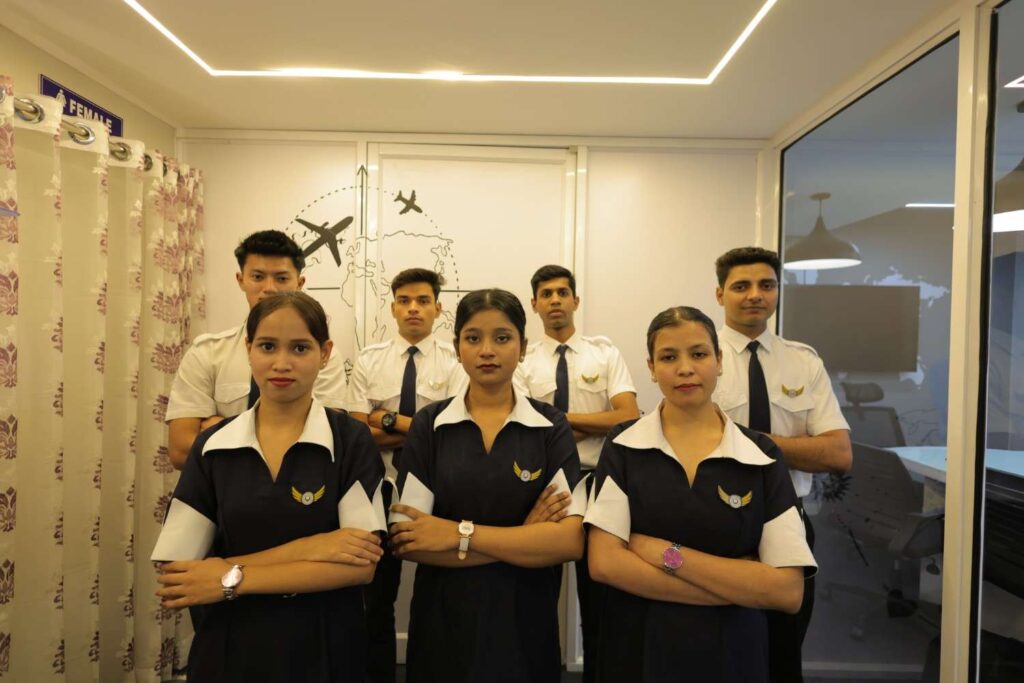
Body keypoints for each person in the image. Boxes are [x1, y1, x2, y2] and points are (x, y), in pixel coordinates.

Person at [151, 292, 387, 682]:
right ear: (248, 349)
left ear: (325, 353)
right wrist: (311, 548)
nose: (281, 363)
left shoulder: (350, 440)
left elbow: (360, 566)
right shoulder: (214, 446)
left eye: (300, 348)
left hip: (324, 646)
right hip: (230, 646)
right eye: (267, 346)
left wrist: (229, 577)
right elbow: (179, 575)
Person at [585, 306, 816, 683]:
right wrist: (740, 586)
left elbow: (787, 591)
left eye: (698, 354)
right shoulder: (623, 445)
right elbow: (605, 563)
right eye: (668, 357)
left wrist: (666, 554)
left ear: (719, 361)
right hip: (640, 649)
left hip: (733, 654)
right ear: (651, 368)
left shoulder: (760, 454)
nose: (685, 368)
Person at [388, 288, 586, 683]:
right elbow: (409, 540)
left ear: (523, 347)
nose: (487, 351)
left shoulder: (550, 426)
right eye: (473, 338)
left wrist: (456, 534)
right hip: (444, 622)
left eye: (502, 337)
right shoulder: (430, 424)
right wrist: (525, 538)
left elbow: (568, 542)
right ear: (457, 348)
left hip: (525, 619)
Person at [712, 247, 852, 682]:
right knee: (715, 650)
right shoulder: (699, 356)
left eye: (766, 285)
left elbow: (838, 454)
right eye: (741, 286)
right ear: (720, 295)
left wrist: (753, 442)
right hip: (712, 521)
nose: (755, 295)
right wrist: (795, 446)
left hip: (787, 520)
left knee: (783, 653)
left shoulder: (803, 361)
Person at [343, 267, 467, 683]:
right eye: (404, 301)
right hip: (377, 489)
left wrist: (387, 417)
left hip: (437, 491)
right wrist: (419, 428)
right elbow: (356, 434)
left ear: (438, 308)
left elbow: (451, 433)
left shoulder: (455, 361)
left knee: (440, 595)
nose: (413, 308)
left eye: (423, 301)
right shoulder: (369, 359)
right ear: (393, 307)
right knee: (374, 599)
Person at [517, 264, 639, 681]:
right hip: (543, 485)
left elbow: (627, 417)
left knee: (601, 598)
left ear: (575, 300)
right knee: (536, 596)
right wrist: (594, 420)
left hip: (598, 481)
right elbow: (523, 426)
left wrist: (557, 420)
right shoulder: (523, 361)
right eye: (546, 294)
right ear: (534, 304)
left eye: (562, 292)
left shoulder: (604, 354)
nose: (555, 300)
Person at [165, 229, 347, 470]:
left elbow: (327, 446)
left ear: (299, 283)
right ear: (241, 280)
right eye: (258, 277)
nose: (269, 288)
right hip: (219, 492)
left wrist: (217, 426)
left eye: (281, 278)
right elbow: (180, 450)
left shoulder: (323, 357)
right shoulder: (206, 353)